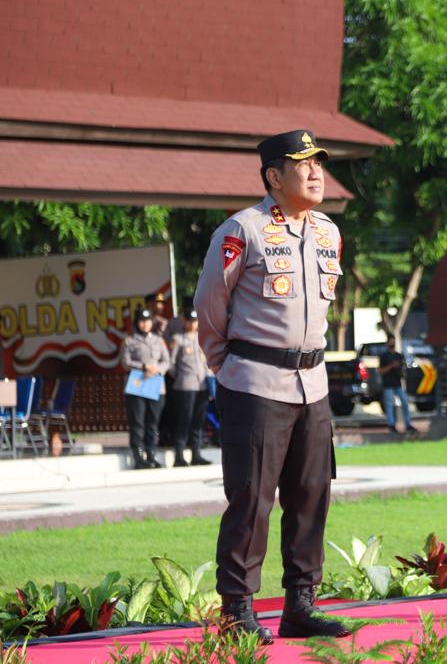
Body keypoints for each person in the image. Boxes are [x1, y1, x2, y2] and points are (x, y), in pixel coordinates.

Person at [194, 129, 349, 644]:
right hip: (256, 382)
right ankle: (237, 608)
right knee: (251, 498)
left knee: (311, 496)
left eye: (319, 164)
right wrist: (227, 364)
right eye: (302, 164)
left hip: (315, 385)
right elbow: (211, 304)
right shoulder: (244, 230)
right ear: (273, 176)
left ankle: (300, 604)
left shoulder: (328, 231)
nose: (315, 173)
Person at [121, 307, 169, 470]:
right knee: (138, 422)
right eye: (142, 321)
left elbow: (167, 361)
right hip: (138, 384)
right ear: (137, 322)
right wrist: (143, 366)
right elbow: (125, 362)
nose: (145, 324)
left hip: (156, 384)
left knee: (152, 423)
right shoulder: (130, 340)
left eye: (148, 321)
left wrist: (157, 369)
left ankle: (151, 455)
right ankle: (138, 456)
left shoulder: (159, 340)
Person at [167, 308, 213, 467]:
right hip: (186, 385)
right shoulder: (177, 339)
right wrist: (180, 377)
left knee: (199, 421)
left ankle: (196, 453)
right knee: (184, 420)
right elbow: (171, 365)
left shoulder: (203, 338)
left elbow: (208, 360)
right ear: (184, 321)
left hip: (202, 385)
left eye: (195, 321)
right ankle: (179, 455)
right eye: (190, 321)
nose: (193, 324)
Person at [379, 335, 417, 434]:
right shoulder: (384, 356)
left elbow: (403, 370)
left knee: (405, 402)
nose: (392, 344)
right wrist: (391, 366)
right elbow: (381, 371)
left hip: (397, 384)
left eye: (393, 342)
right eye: (390, 342)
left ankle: (408, 424)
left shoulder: (399, 356)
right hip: (388, 384)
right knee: (389, 405)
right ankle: (391, 424)